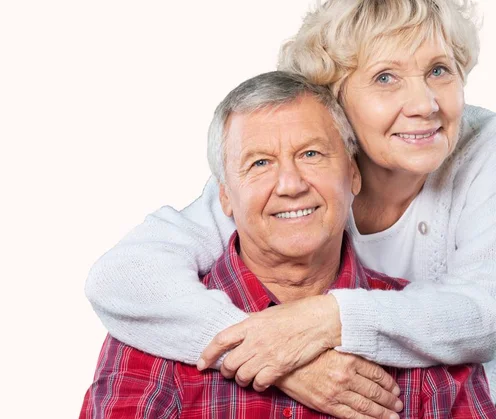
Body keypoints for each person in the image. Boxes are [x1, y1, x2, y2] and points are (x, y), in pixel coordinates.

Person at [86, 0, 496, 416]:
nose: (425, 104)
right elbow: (121, 276)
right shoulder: (269, 174)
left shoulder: (486, 152)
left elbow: (486, 313)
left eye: (439, 70)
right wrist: (271, 355)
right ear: (332, 99)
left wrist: (320, 322)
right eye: (385, 77)